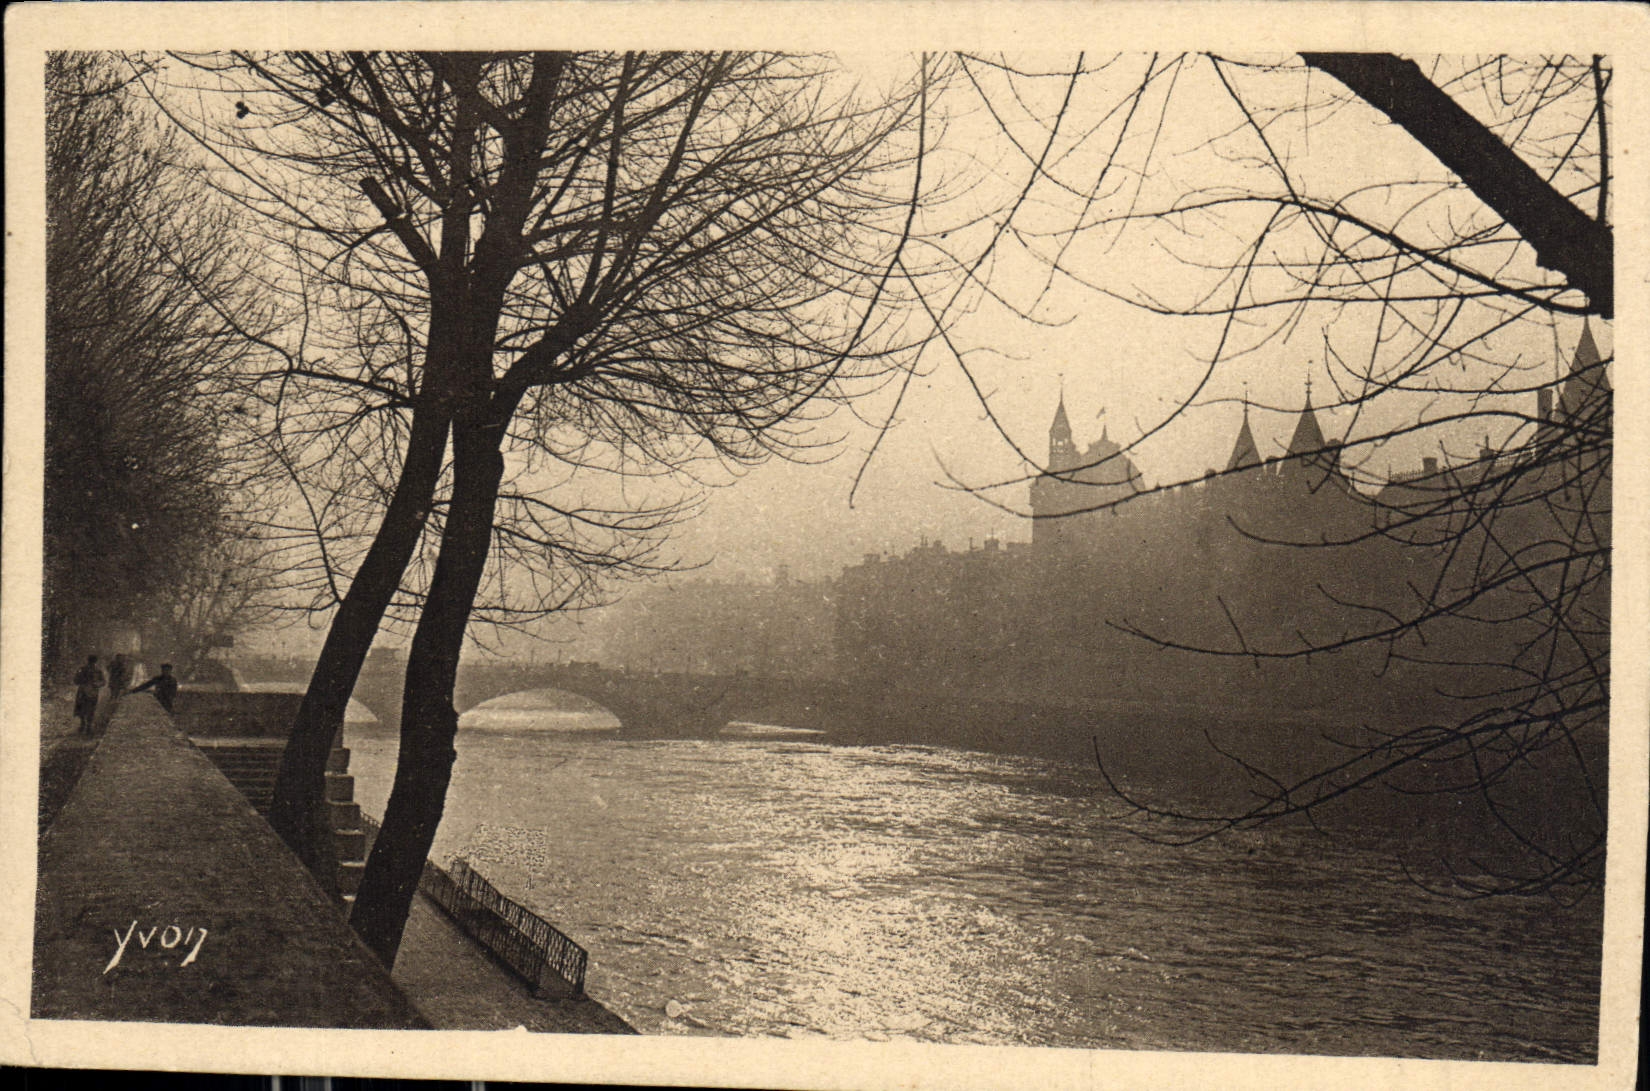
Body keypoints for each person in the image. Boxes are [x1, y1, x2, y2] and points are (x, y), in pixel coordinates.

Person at [72, 655, 105, 735]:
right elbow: (76, 680)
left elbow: (103, 682)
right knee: (83, 708)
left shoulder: (97, 671)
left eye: (92, 662)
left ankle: (87, 726)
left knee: (89, 708)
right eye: (91, 662)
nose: (91, 664)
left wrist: (97, 684)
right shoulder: (83, 669)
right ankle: (84, 724)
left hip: (90, 692)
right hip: (86, 692)